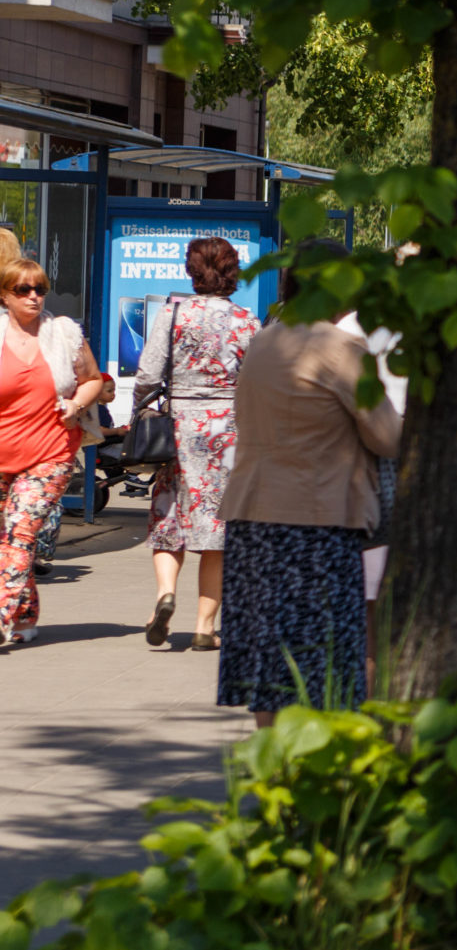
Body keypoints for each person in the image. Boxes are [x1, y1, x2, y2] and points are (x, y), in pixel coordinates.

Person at [216, 262, 402, 724]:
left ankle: (273, 772)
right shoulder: (342, 349)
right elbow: (387, 436)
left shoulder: (263, 342)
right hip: (317, 521)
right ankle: (314, 778)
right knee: (324, 662)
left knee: (269, 661)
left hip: (253, 517)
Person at [135, 238, 261, 651]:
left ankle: (163, 598)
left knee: (169, 518)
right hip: (228, 432)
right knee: (218, 530)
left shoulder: (173, 314)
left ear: (192, 271)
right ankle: (206, 628)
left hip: (179, 430)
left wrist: (138, 410)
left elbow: (149, 374)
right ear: (232, 272)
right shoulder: (247, 321)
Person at [0, 258, 103, 647]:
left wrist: (76, 404)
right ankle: (25, 616)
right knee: (8, 541)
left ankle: (2, 613)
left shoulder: (63, 333)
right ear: (4, 296)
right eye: (23, 290)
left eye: (39, 289)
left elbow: (93, 379)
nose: (33, 297)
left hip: (50, 452)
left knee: (21, 533)